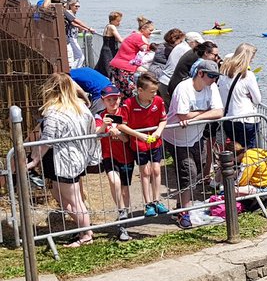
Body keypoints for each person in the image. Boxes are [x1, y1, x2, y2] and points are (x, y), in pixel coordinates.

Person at [25, 74, 103, 247]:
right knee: (61, 195)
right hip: (77, 157)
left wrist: (34, 160)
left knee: (74, 199)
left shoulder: (54, 112)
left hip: (64, 160)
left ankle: (86, 234)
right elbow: (91, 131)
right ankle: (84, 229)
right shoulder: (82, 108)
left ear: (50, 89)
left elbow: (47, 139)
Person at [163, 59, 224, 222]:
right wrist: (206, 111)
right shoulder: (183, 88)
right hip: (176, 138)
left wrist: (197, 114)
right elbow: (183, 115)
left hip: (196, 136)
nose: (213, 80)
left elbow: (218, 112)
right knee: (188, 173)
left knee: (197, 171)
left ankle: (181, 207)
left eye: (216, 76)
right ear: (200, 73)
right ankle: (185, 213)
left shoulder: (211, 88)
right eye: (211, 76)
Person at [118, 73, 168, 218]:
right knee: (145, 172)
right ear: (140, 90)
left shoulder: (158, 101)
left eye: (155, 91)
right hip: (139, 144)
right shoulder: (129, 104)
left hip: (155, 141)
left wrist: (158, 132)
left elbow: (163, 120)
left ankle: (157, 200)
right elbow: (122, 125)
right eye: (151, 91)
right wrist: (139, 135)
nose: (154, 94)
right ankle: (148, 203)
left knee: (156, 169)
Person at [95, 85, 134, 241]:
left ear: (120, 99)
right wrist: (105, 126)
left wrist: (120, 134)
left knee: (124, 188)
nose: (113, 102)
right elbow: (97, 134)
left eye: (115, 99)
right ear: (103, 101)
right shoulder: (100, 116)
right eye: (109, 99)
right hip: (108, 155)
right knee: (113, 181)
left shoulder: (125, 113)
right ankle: (121, 210)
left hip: (126, 156)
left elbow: (129, 137)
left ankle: (124, 221)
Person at [217, 43, 262, 149]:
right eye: (252, 58)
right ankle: (246, 166)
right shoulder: (248, 75)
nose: (252, 60)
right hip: (246, 119)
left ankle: (236, 165)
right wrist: (248, 96)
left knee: (235, 149)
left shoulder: (224, 73)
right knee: (249, 150)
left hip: (228, 118)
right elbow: (257, 100)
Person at [108, 16, 155, 98]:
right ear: (143, 29)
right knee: (130, 93)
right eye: (150, 30)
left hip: (116, 64)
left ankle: (122, 108)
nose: (151, 33)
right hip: (125, 67)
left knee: (120, 91)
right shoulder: (141, 38)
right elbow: (145, 54)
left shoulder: (133, 34)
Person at [167, 41, 220, 106]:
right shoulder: (200, 65)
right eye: (215, 55)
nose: (216, 58)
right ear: (206, 53)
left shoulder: (197, 62)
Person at [161, 32, 204, 103]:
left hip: (164, 79)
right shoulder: (187, 50)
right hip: (169, 81)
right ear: (191, 42)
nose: (199, 46)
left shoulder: (180, 46)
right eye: (198, 43)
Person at [63, 0, 96, 69]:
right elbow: (75, 22)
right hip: (70, 37)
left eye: (78, 6)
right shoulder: (68, 13)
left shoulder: (71, 13)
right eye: (76, 6)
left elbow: (75, 24)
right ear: (71, 5)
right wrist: (88, 28)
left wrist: (84, 29)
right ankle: (74, 71)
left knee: (76, 56)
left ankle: (74, 70)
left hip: (73, 37)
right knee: (80, 56)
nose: (77, 8)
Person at [94, 11, 124, 77]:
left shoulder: (107, 26)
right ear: (112, 20)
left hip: (105, 49)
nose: (119, 23)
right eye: (118, 21)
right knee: (109, 69)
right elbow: (120, 40)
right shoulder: (112, 27)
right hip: (109, 51)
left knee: (102, 68)